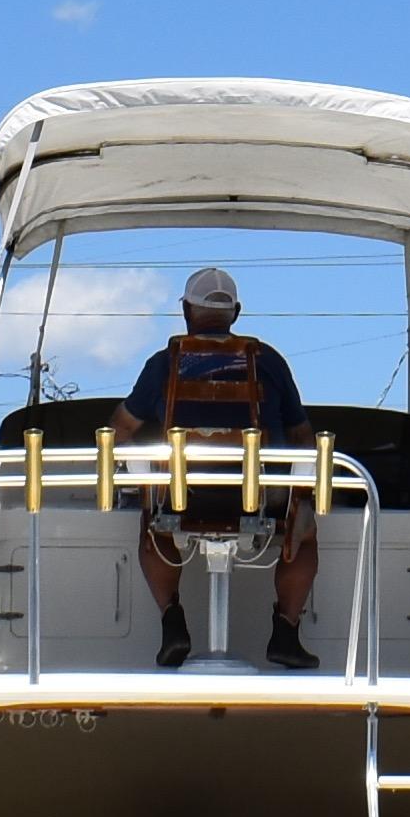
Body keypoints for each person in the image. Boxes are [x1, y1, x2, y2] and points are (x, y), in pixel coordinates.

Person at [118, 268, 318, 669]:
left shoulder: (164, 363)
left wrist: (138, 473)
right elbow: (303, 436)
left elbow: (121, 429)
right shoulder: (270, 361)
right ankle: (285, 632)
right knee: (305, 527)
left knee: (151, 514)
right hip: (260, 497)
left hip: (183, 494)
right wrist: (303, 493)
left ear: (187, 311)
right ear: (236, 312)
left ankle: (172, 621)